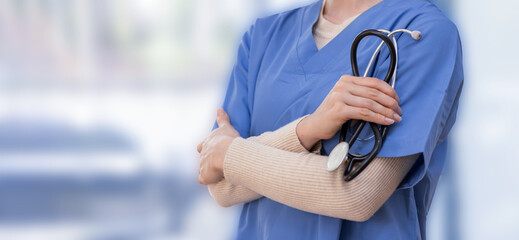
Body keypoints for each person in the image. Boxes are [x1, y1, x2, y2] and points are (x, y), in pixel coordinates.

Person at [197, 0, 464, 239]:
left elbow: (358, 194)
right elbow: (221, 185)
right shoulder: (262, 36)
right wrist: (307, 130)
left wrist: (231, 155)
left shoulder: (420, 33)